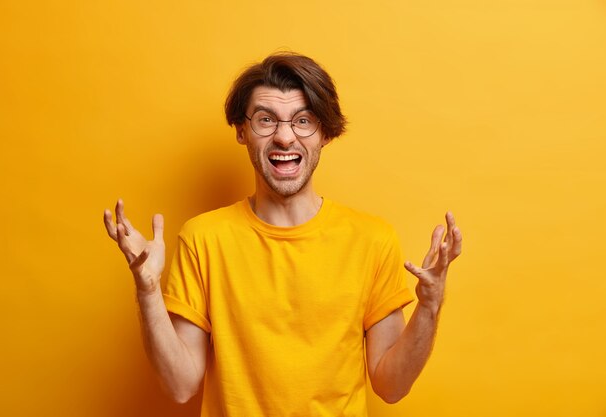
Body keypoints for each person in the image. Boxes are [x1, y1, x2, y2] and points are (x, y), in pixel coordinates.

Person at [103, 52, 462, 417]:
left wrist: (430, 306)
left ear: (325, 133)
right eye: (266, 120)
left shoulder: (372, 240)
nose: (285, 137)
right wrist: (148, 291)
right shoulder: (203, 239)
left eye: (303, 120)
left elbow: (391, 385)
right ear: (242, 131)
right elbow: (180, 386)